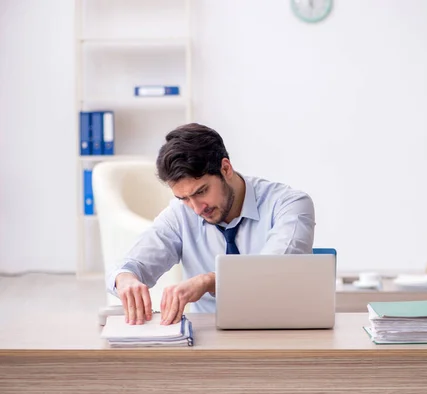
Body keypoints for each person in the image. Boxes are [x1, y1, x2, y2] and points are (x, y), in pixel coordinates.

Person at [106, 123, 315, 325]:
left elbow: (277, 270)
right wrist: (126, 279)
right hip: (209, 341)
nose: (196, 209)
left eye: (201, 191)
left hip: (279, 334)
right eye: (184, 198)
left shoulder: (289, 205)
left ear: (225, 168)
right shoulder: (180, 215)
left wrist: (210, 281)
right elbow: (132, 264)